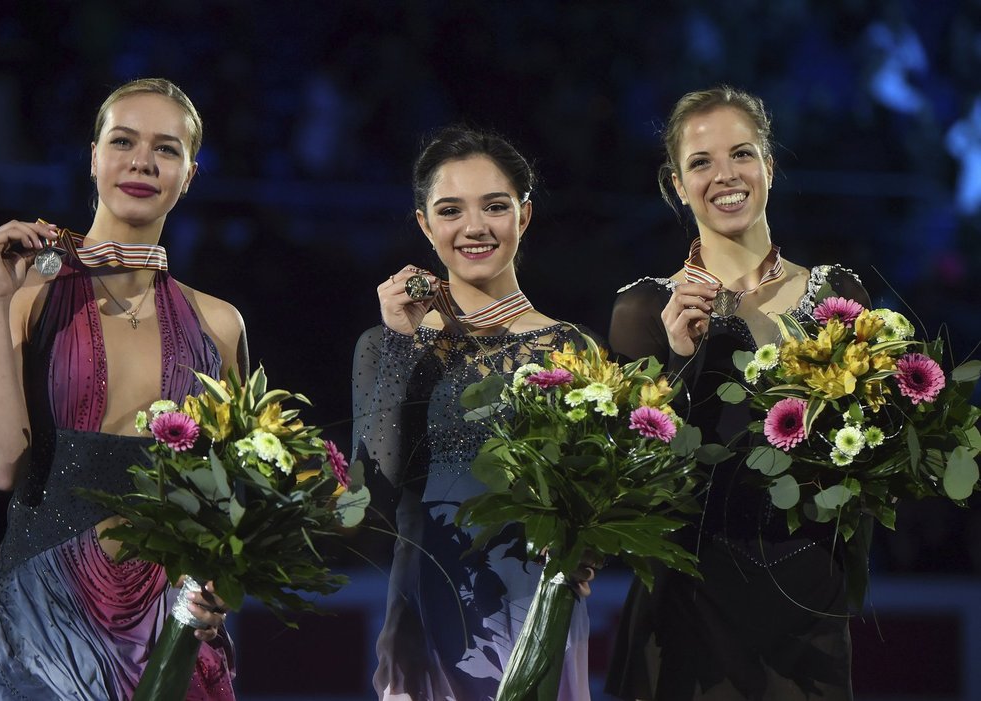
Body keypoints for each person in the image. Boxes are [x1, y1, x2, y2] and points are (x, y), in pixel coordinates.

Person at [0, 78, 248, 700]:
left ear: (190, 173)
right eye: (123, 140)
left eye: (166, 149)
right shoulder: (23, 295)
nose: (143, 160)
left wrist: (222, 590)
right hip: (45, 631)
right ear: (93, 156)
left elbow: (232, 497)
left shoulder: (219, 324)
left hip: (174, 633)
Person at [604, 86, 869, 701]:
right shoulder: (643, 308)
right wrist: (676, 364)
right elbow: (631, 489)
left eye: (741, 154)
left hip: (807, 613)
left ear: (769, 167)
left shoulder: (837, 295)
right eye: (701, 162)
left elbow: (863, 463)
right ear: (675, 184)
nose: (725, 176)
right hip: (684, 618)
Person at [352, 126, 593, 700]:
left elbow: (592, 499)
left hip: (538, 610)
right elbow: (367, 499)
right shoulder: (385, 345)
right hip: (427, 615)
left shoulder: (574, 350)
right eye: (450, 209)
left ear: (525, 216)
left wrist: (588, 553)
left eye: (495, 206)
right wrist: (403, 344)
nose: (474, 227)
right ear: (423, 224)